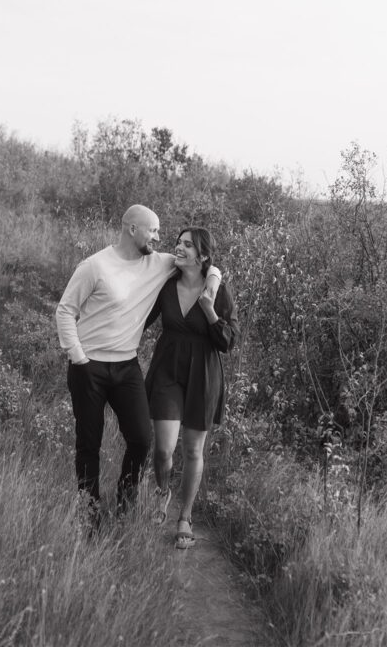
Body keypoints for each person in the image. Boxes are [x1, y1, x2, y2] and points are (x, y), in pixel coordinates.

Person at [55, 205, 222, 525]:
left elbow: (207, 264)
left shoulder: (159, 263)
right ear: (132, 229)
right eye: (153, 231)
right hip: (88, 366)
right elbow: (65, 311)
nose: (160, 238)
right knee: (89, 443)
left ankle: (124, 504)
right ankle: (88, 515)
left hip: (126, 367)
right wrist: (78, 357)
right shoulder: (95, 266)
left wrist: (213, 282)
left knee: (142, 439)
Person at [144, 227, 238, 549]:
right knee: (163, 450)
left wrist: (210, 310)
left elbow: (228, 341)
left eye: (187, 245)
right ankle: (162, 490)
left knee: (194, 450)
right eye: (178, 243)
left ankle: (184, 516)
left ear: (203, 256)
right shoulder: (166, 286)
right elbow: (141, 319)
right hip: (168, 370)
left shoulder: (220, 291)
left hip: (204, 375)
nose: (179, 248)